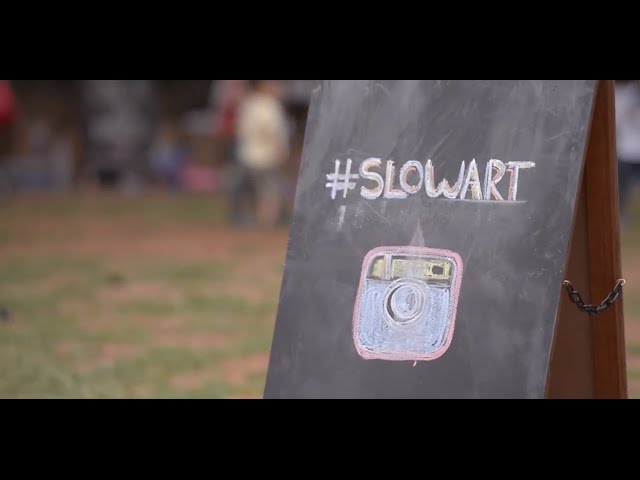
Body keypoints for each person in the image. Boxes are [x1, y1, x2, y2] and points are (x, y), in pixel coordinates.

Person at [235, 80, 290, 228]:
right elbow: (270, 131)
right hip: (266, 157)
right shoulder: (269, 105)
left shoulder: (248, 103)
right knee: (270, 193)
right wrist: (280, 151)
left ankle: (249, 223)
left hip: (246, 155)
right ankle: (266, 225)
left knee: (253, 193)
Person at [615, 80, 640, 224]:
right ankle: (621, 215)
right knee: (623, 189)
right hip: (626, 151)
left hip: (630, 150)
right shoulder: (624, 95)